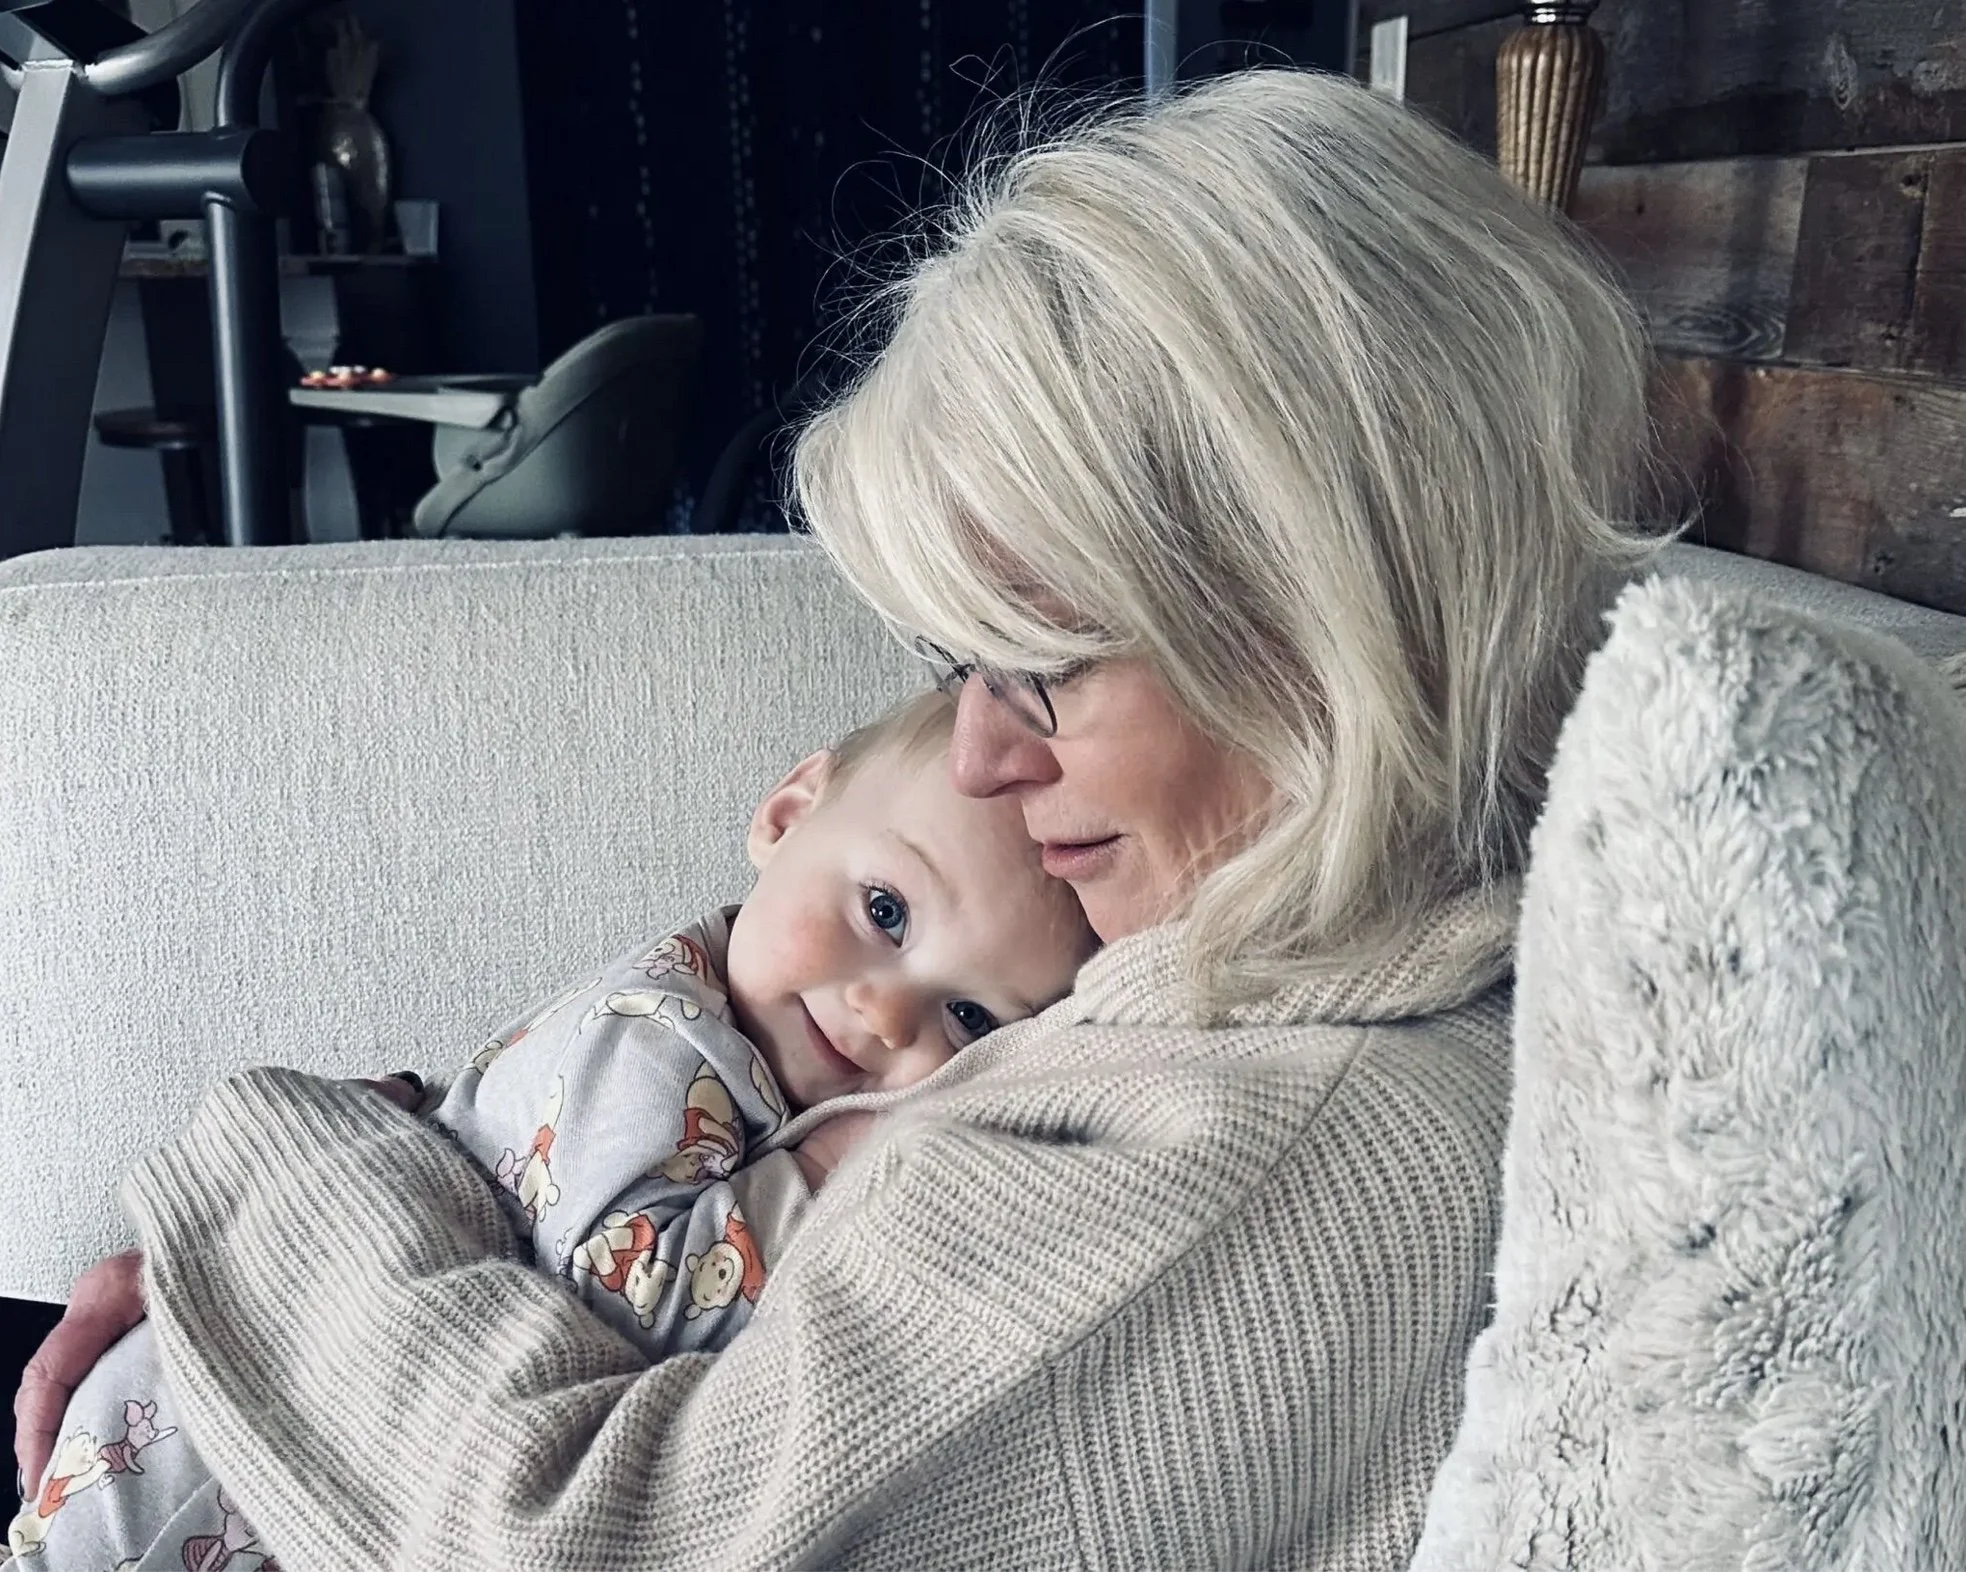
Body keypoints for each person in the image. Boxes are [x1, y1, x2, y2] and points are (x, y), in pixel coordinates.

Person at [15, 68, 1658, 1568]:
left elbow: (575, 1536)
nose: (991, 762)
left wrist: (275, 1194)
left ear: (1316, 631)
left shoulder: (1283, 1143)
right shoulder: (1235, 998)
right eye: (967, 669)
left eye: (1044, 668)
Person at [9, 691, 1094, 1566]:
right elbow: (637, 1290)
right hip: (200, 1468)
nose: (887, 1011)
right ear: (786, 814)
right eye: (886, 912)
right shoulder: (669, 1047)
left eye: (969, 1015)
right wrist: (821, 1172)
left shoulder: (715, 1020)